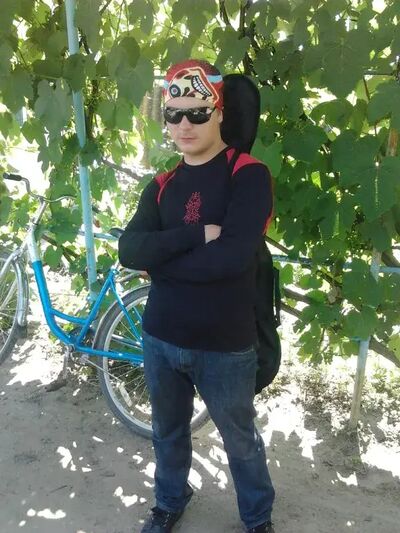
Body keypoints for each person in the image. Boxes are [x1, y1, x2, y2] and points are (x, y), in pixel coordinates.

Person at [118, 59, 275, 533]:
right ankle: (169, 500)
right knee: (167, 433)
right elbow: (129, 250)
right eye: (174, 114)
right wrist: (195, 235)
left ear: (220, 112)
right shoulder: (162, 184)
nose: (184, 124)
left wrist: (161, 264)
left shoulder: (248, 175)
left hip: (225, 346)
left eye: (198, 113)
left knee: (240, 440)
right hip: (160, 338)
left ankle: (257, 518)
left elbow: (232, 260)